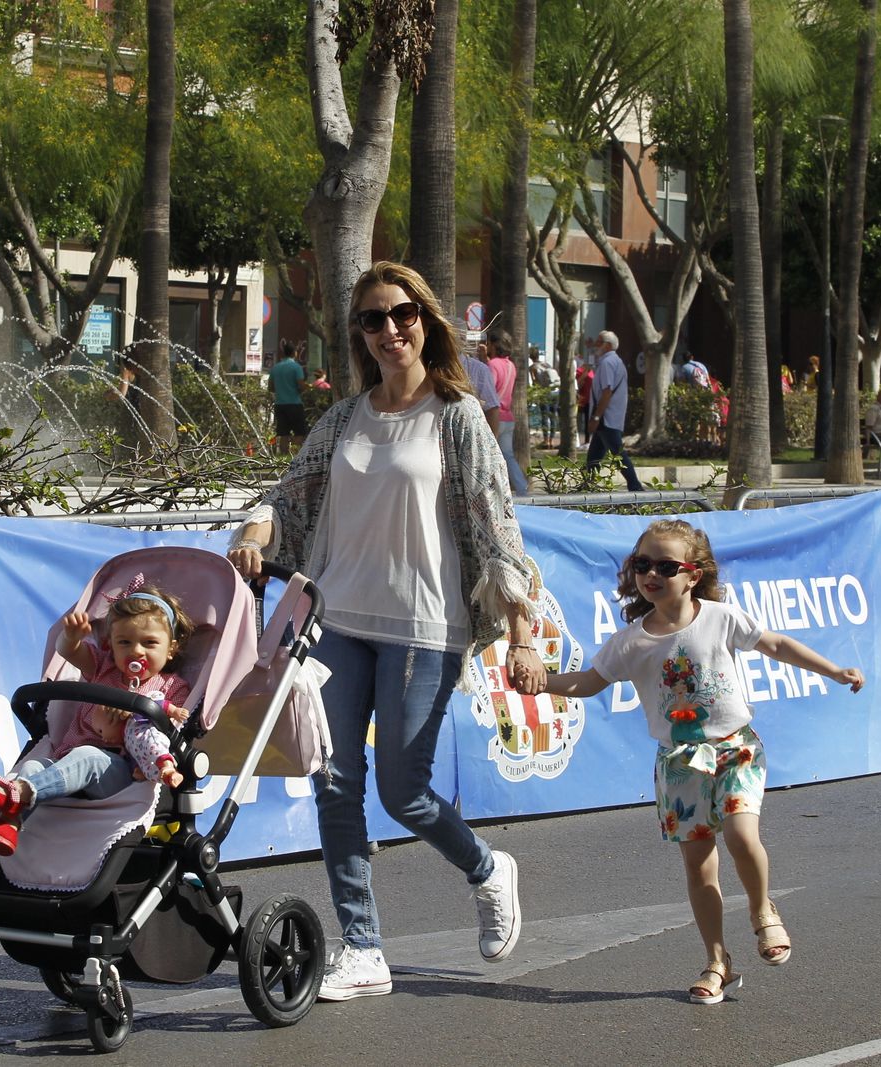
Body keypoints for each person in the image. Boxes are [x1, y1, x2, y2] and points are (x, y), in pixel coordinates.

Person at [226, 261, 537, 1002]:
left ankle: (488, 868)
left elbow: (498, 530)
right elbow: (289, 495)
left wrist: (522, 630)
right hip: (337, 618)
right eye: (373, 319)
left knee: (404, 792)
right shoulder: (343, 418)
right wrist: (256, 523)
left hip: (425, 627)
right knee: (334, 784)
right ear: (359, 334)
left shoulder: (457, 417)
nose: (389, 329)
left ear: (425, 320)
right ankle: (362, 947)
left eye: (402, 314)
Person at [521, 519, 863, 1005]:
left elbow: (777, 645)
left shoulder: (721, 618)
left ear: (694, 574)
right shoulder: (630, 641)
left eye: (665, 565)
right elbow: (589, 683)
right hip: (678, 763)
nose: (650, 574)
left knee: (744, 836)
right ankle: (717, 962)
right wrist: (542, 682)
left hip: (735, 749)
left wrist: (832, 670)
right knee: (701, 870)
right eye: (642, 564)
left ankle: (763, 911)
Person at [0, 580, 194, 856]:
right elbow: (70, 651)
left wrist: (135, 717)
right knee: (32, 767)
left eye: (150, 643)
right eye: (124, 642)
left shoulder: (171, 686)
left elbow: (170, 730)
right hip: (64, 764)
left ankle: (18, 793)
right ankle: (7, 825)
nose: (136, 651)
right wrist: (71, 637)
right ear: (110, 646)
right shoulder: (103, 669)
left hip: (121, 771)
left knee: (89, 756)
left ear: (171, 648)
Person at [584, 331, 644, 490]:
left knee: (618, 454)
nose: (596, 345)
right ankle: (588, 486)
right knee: (594, 457)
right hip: (609, 416)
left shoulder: (607, 363)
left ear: (608, 345)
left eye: (599, 342)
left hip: (606, 418)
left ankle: (635, 486)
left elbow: (606, 391)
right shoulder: (613, 361)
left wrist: (596, 417)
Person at [485, 330, 530, 495]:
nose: (487, 346)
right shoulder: (510, 365)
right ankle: (522, 488)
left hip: (494, 417)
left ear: (495, 345)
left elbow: (488, 390)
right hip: (508, 417)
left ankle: (495, 491)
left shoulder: (493, 365)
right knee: (508, 456)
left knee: (490, 456)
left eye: (489, 343)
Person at [270, 339, 309, 453]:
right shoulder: (296, 367)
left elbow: (270, 387)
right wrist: (305, 388)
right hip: (294, 403)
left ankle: (283, 454)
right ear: (295, 353)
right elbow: (301, 385)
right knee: (299, 431)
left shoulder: (276, 368)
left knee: (283, 433)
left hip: (279, 404)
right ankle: (296, 454)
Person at [462, 340, 504, 437]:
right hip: (506, 416)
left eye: (487, 344)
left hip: (492, 417)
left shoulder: (491, 365)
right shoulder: (510, 364)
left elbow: (490, 404)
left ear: (493, 346)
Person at [530, 346, 559, 446]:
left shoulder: (533, 367)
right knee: (553, 416)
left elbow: (535, 382)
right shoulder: (547, 364)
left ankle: (546, 440)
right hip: (555, 392)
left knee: (545, 416)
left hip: (545, 393)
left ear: (531, 357)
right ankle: (552, 440)